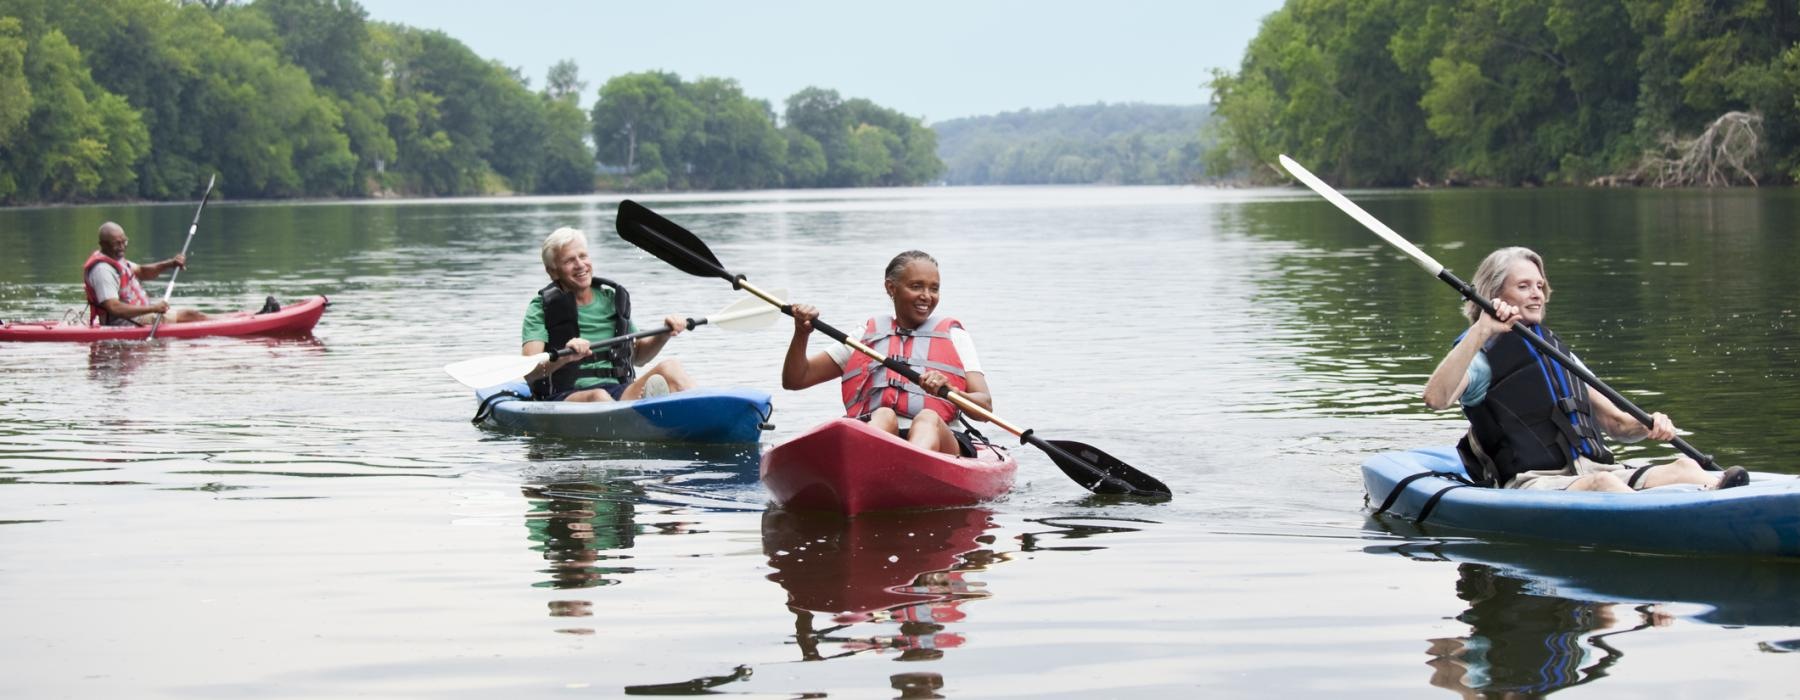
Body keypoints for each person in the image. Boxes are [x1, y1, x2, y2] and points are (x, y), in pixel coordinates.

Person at [1422, 246, 1748, 492]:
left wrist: (1650, 425)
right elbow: (1435, 398)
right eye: (1523, 286)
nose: (1536, 293)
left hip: (1590, 468)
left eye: (1539, 285)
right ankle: (1664, 522)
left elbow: (1616, 423)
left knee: (1684, 466)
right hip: (1533, 482)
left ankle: (1722, 498)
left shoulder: (1559, 354)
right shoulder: (1480, 354)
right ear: (1495, 295)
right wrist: (1482, 329)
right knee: (1604, 485)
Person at [781, 250, 992, 456]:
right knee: (883, 414)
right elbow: (796, 379)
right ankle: (869, 462)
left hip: (941, 441)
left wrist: (952, 391)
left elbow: (984, 407)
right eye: (916, 286)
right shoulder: (865, 337)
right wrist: (801, 333)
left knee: (928, 418)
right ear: (891, 288)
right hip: (877, 434)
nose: (926, 296)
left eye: (934, 289)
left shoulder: (954, 336)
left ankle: (911, 465)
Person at [520, 227, 695, 402]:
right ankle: (637, 418)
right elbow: (529, 370)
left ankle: (711, 413)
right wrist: (566, 356)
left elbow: (639, 357)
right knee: (598, 396)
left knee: (671, 368)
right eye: (569, 261)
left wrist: (664, 334)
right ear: (553, 271)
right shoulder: (541, 308)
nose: (580, 264)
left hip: (618, 391)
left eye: (583, 256)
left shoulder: (612, 300)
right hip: (565, 396)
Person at [83, 222, 211, 326]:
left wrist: (170, 263)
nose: (122, 247)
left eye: (124, 241)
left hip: (138, 316)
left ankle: (216, 320)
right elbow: (114, 307)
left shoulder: (116, 259)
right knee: (191, 315)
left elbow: (143, 272)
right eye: (117, 243)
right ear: (103, 245)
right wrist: (153, 308)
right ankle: (222, 326)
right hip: (126, 322)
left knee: (195, 315)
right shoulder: (102, 270)